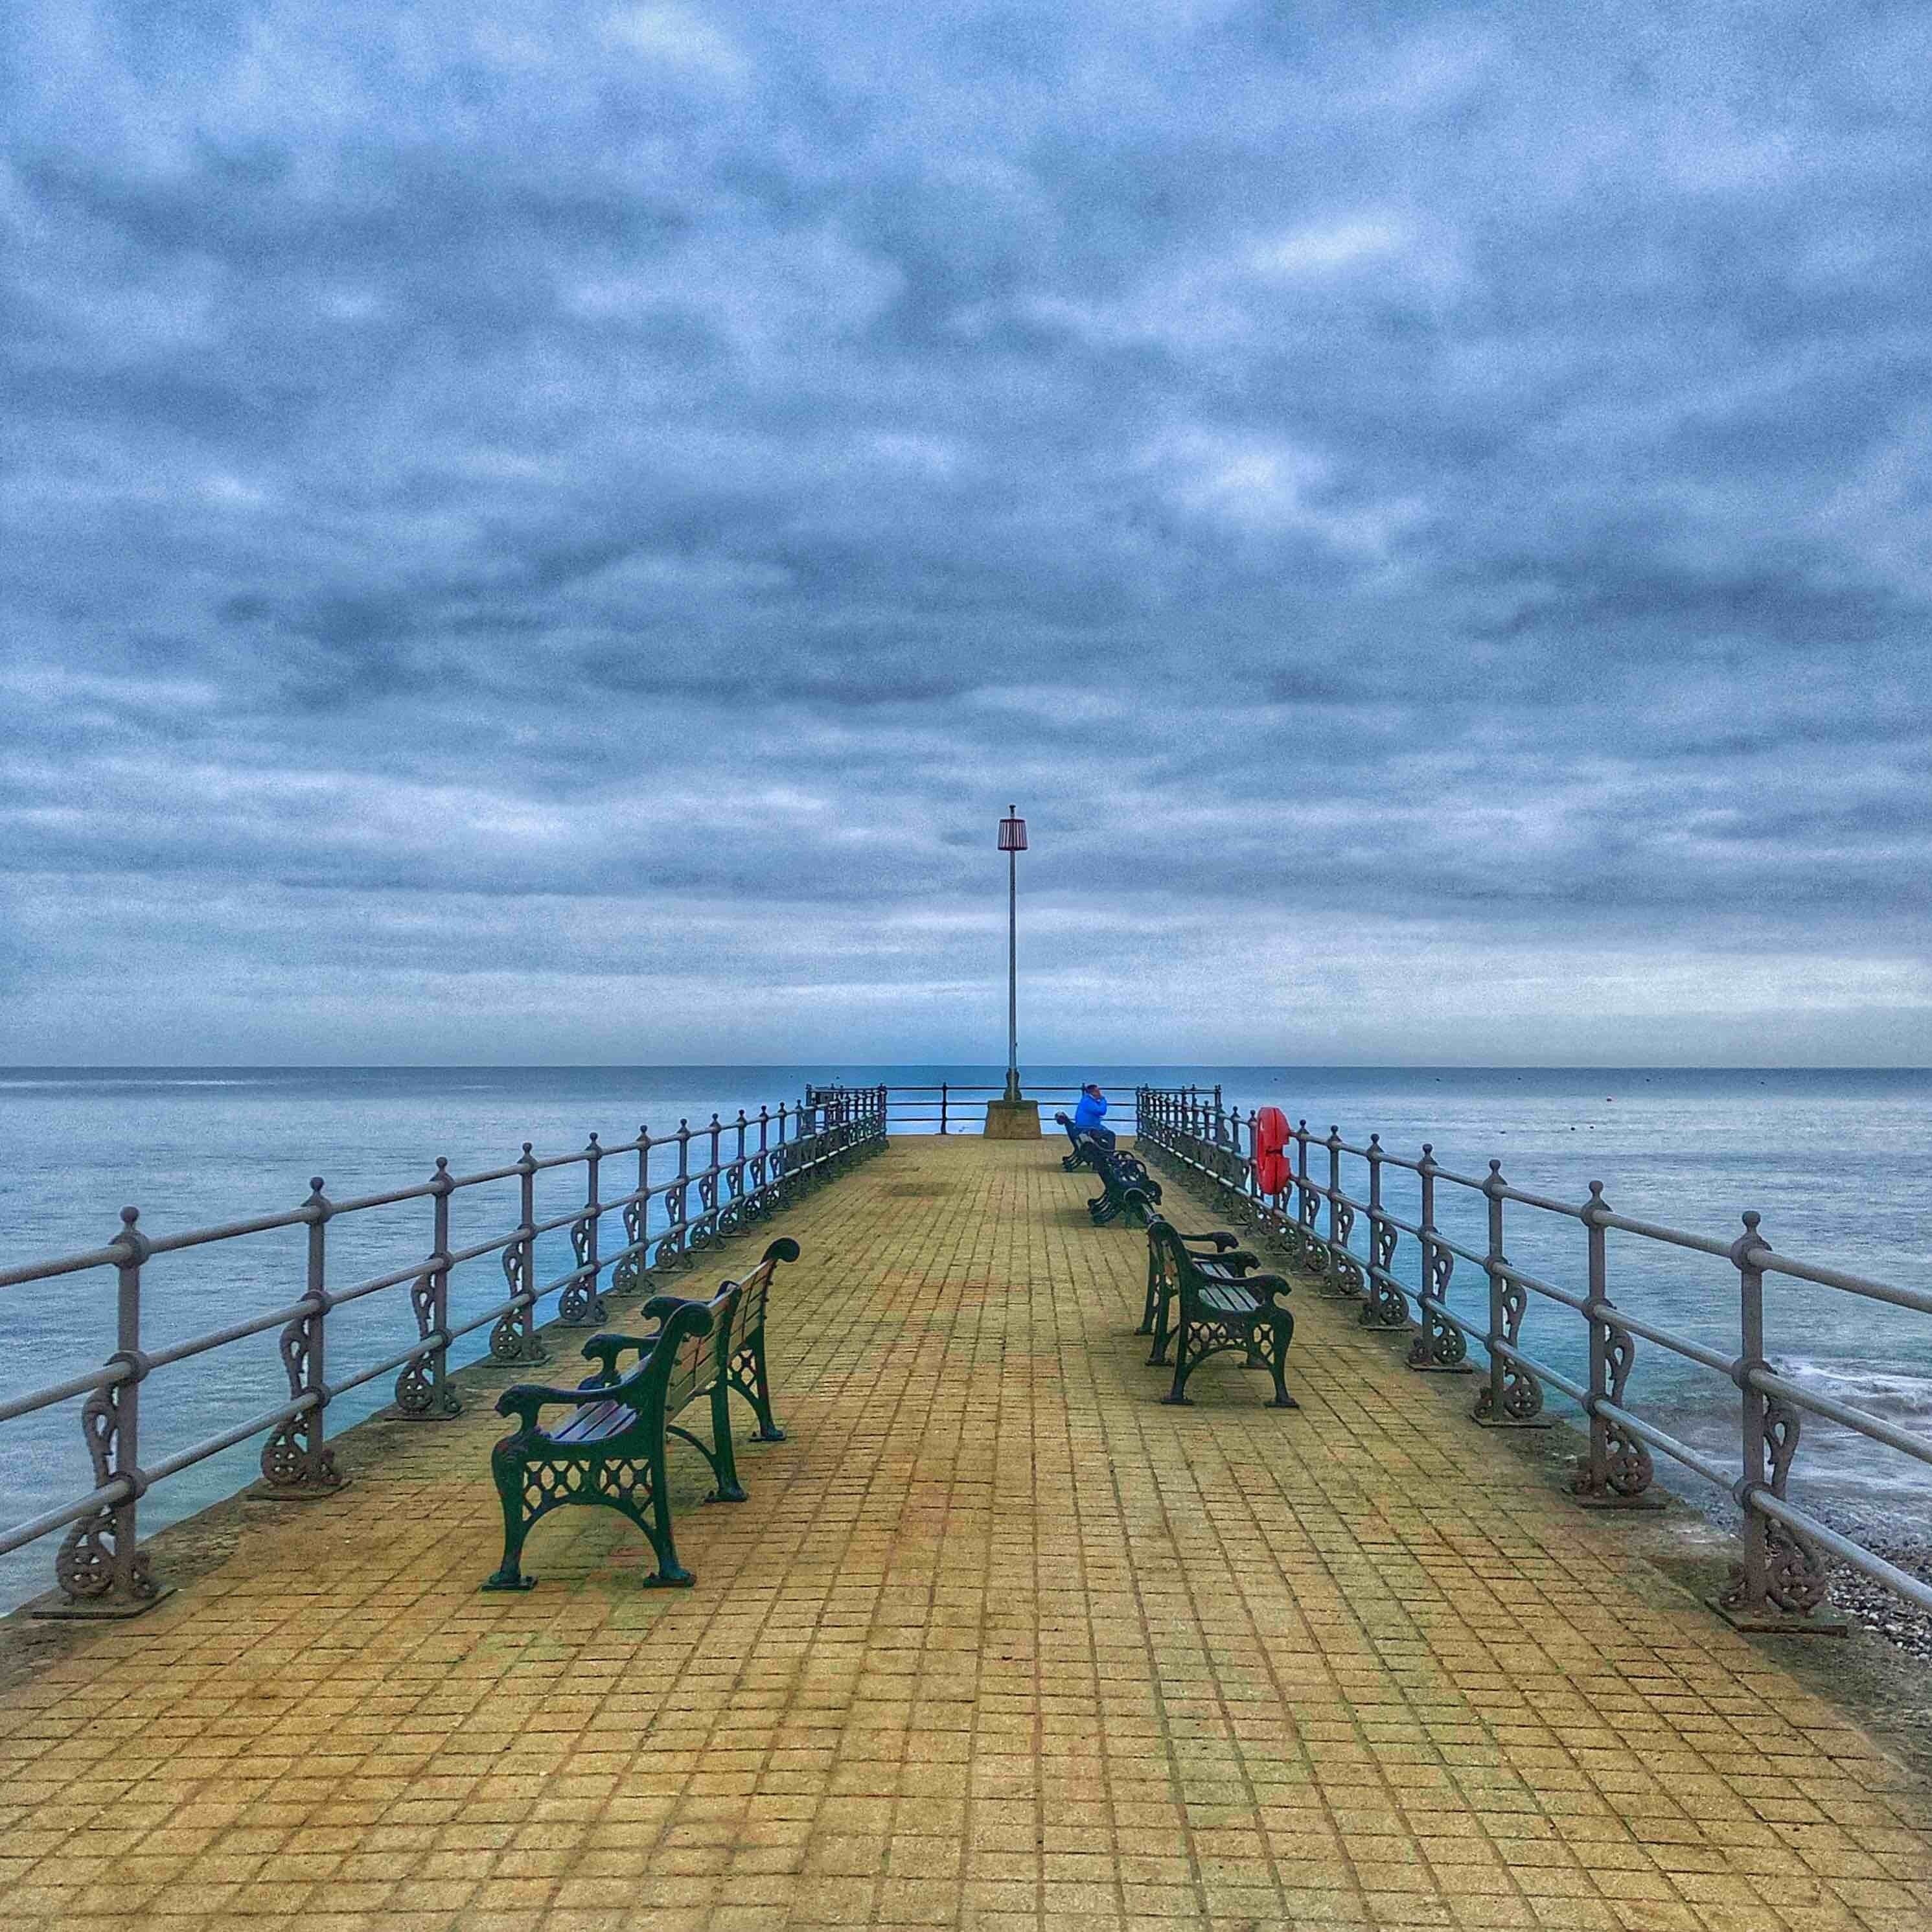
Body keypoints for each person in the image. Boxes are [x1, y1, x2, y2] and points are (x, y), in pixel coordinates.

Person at [1072, 1082, 1116, 1150]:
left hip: (1083, 1127)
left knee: (1105, 1131)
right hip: (1088, 1128)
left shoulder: (1086, 1100)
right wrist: (1103, 1100)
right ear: (1093, 1092)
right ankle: (1110, 1153)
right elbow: (1102, 1111)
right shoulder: (1089, 1101)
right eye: (1098, 1091)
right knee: (1111, 1135)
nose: (1100, 1093)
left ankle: (1105, 1150)